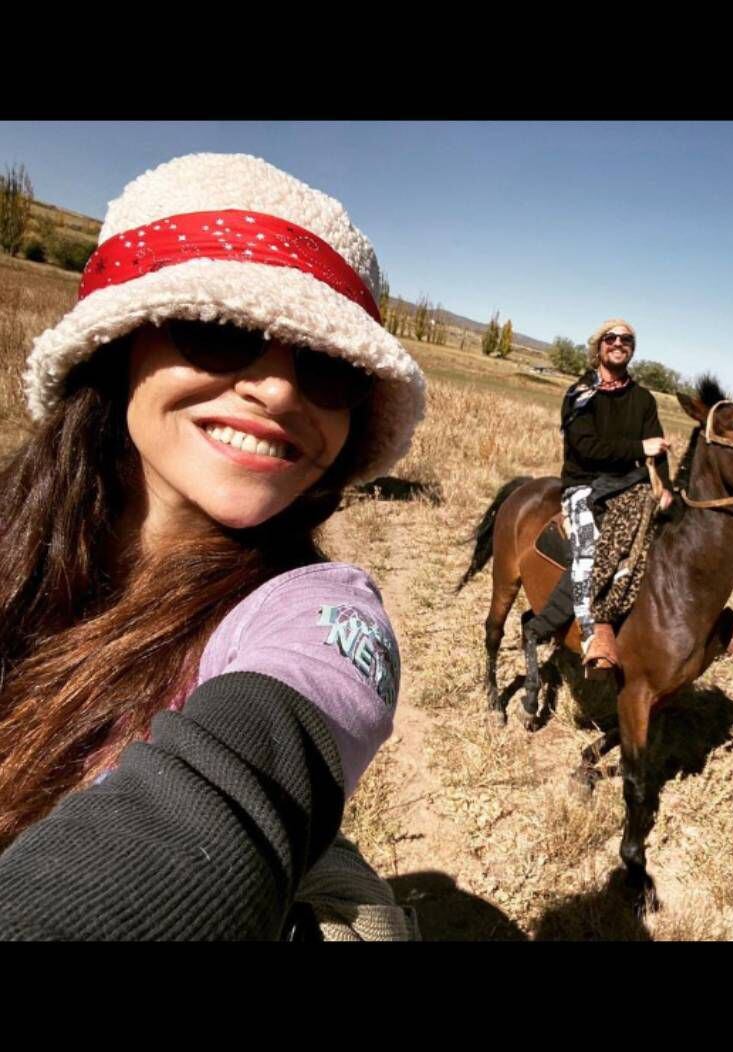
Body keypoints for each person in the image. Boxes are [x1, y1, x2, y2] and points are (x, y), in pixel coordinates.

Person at [0, 153, 428, 939]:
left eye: (328, 368)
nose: (279, 390)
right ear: (120, 348)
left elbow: (237, 787)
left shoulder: (314, 615)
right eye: (221, 331)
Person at [558, 319, 673, 675]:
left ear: (632, 349)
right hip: (585, 483)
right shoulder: (580, 395)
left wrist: (666, 488)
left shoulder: (643, 399)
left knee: (672, 540)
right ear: (599, 347)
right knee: (588, 548)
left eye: (627, 339)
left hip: (629, 485)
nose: (619, 343)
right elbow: (586, 448)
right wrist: (639, 447)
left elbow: (658, 449)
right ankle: (592, 630)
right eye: (611, 338)